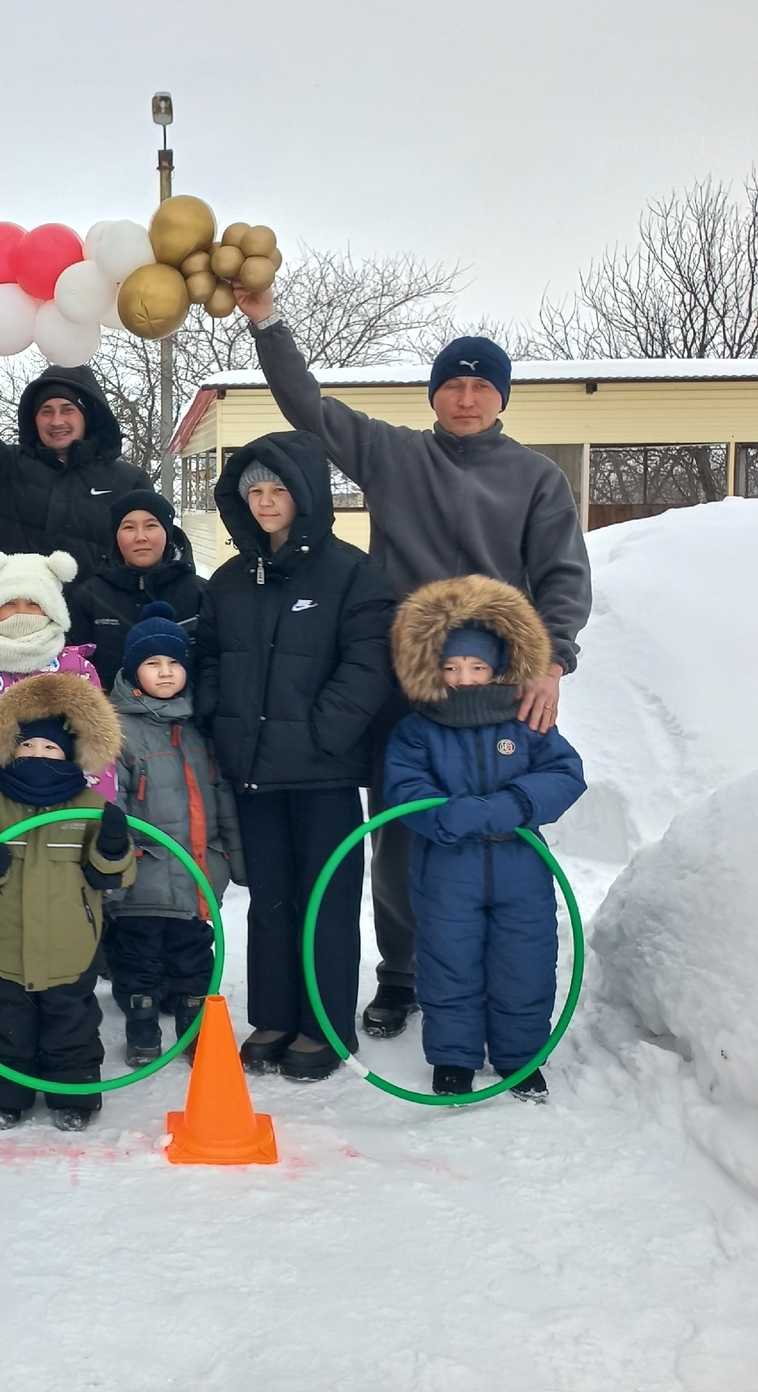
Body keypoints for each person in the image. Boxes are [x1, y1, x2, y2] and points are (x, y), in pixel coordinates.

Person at [237, 290, 591, 1039]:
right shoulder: (393, 453)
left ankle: (480, 969)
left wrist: (550, 663)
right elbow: (306, 405)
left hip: (498, 684)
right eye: (453, 385)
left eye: (481, 386)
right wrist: (267, 321)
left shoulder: (537, 478)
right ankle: (401, 973)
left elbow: (561, 576)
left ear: (500, 398)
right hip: (409, 681)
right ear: (434, 395)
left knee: (498, 826)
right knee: (402, 829)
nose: (466, 399)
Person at [194, 435, 396, 1082]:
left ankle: (325, 1025)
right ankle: (276, 1016)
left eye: (277, 489)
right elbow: (209, 662)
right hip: (253, 774)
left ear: (304, 493)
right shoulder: (229, 581)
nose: (265, 502)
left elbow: (369, 667)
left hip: (323, 777)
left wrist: (321, 734)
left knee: (326, 903)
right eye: (253, 491)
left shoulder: (353, 574)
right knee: (271, 903)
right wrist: (222, 725)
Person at [384, 577, 586, 1100]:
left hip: (521, 867)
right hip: (446, 870)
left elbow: (565, 774)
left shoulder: (525, 721)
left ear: (497, 669)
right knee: (449, 961)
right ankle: (453, 1058)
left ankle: (520, 1057)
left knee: (525, 961)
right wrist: (450, 818)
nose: (464, 678)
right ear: (433, 671)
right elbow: (406, 789)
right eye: (451, 668)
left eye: (476, 667)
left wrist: (509, 806)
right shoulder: (417, 729)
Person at [0, 672, 135, 1131]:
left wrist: (113, 848)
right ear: (10, 749)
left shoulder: (92, 806)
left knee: (71, 1024)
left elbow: (111, 875)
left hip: (70, 944)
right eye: (27, 746)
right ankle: (4, 1094)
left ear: (71, 753)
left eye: (50, 748)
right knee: (4, 1022)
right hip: (2, 942)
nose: (37, 755)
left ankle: (73, 1093)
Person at [107, 602, 243, 1067]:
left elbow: (221, 797)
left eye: (173, 663)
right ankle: (142, 1030)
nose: (165, 673)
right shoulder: (118, 731)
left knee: (193, 959)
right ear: (133, 671)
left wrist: (230, 857)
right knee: (137, 961)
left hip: (195, 876)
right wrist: (117, 863)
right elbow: (113, 805)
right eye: (152, 663)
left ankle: (194, 1029)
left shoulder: (199, 727)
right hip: (142, 877)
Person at [0, 336, 149, 576]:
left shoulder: (129, 482)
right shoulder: (7, 466)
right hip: (15, 609)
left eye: (68, 410)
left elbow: (152, 553)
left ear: (87, 416)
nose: (56, 421)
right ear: (33, 419)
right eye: (46, 412)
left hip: (95, 613)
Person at [0, 549, 110, 797]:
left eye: (33, 603)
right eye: (9, 602)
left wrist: (96, 817)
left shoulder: (77, 670)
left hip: (60, 812)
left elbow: (98, 749)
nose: (21, 612)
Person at [67, 489, 208, 692]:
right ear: (116, 535)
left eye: (151, 526)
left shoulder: (199, 593)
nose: (140, 537)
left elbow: (210, 666)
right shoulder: (90, 596)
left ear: (167, 531)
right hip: (111, 718)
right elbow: (76, 667)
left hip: (183, 719)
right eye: (129, 527)